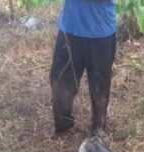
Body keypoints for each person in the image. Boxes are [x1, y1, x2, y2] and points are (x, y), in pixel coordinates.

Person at [49, 0, 116, 138]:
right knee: (61, 82)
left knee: (100, 86)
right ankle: (63, 124)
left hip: (101, 32)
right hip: (70, 28)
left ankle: (98, 127)